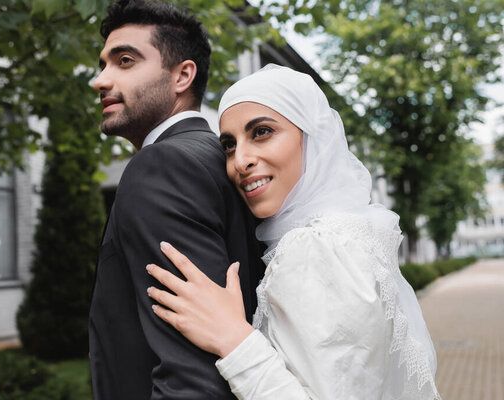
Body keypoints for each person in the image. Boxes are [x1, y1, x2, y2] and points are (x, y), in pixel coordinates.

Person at [146, 65, 441, 400]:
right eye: (229, 145)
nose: (240, 161)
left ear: (312, 137)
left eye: (261, 132)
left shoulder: (315, 249)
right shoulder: (346, 233)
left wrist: (233, 338)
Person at [88, 0, 265, 399]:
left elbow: (192, 372)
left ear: (183, 75)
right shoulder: (215, 158)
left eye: (125, 61)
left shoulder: (163, 165)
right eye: (102, 65)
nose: (100, 80)